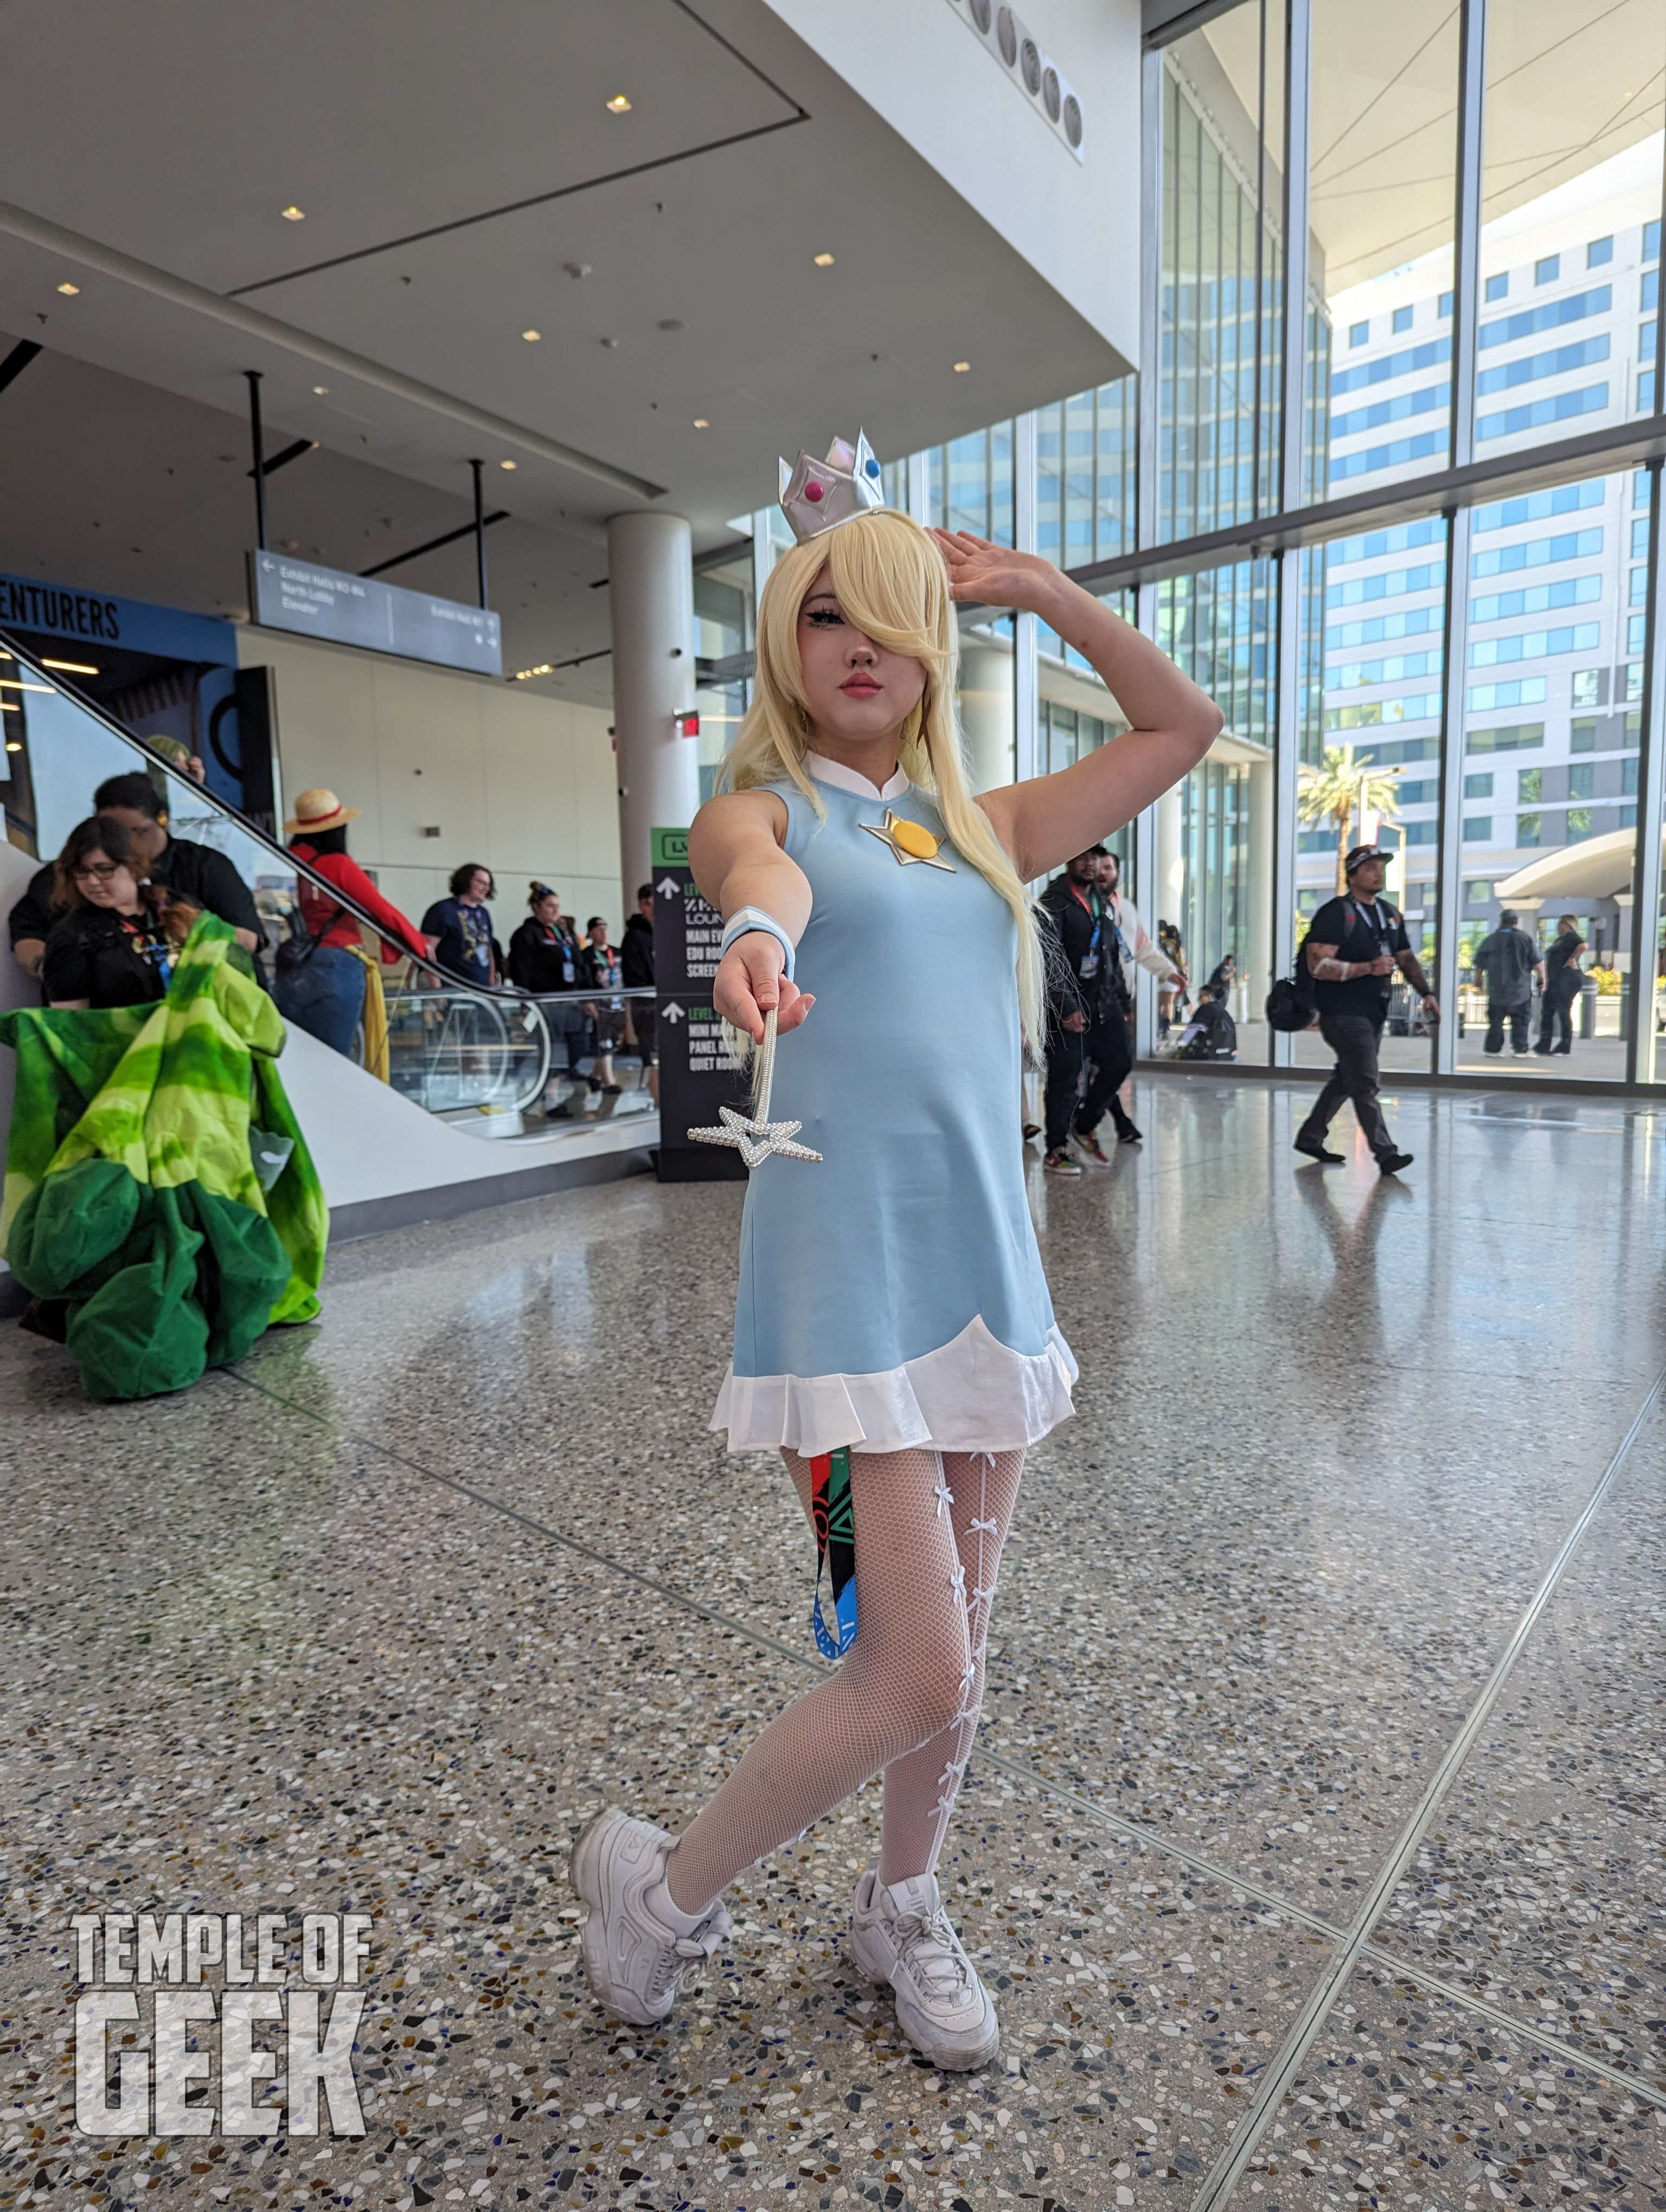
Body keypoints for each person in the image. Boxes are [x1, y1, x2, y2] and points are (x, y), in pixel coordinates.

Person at [567, 446, 1222, 2072]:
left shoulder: (984, 824)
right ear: (788, 644)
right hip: (846, 1300)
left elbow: (1178, 729)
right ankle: (659, 1894)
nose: (860, 645)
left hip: (984, 1283)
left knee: (961, 1657)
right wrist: (763, 944)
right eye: (826, 619)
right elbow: (751, 880)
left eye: (895, 621)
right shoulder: (761, 802)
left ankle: (902, 1902)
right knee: (910, 1661)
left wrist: (1047, 594)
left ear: (932, 648)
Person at [9, 768, 261, 987]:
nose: (124, 842)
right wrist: (57, 968)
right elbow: (26, 930)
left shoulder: (203, 870)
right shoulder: (63, 887)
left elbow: (248, 939)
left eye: (107, 870)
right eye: (86, 872)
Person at [1293, 844, 1438, 1175]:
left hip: (1374, 1012)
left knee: (1348, 1078)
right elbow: (1318, 965)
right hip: (1341, 1013)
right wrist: (1367, 968)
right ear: (1353, 874)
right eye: (1371, 867)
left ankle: (1310, 1136)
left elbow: (1405, 959)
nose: (1379, 872)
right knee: (1365, 1081)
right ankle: (1386, 1154)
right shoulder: (1337, 913)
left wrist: (1426, 993)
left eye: (1381, 867)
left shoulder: (1389, 913)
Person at [278, 787, 431, 1056]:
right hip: (337, 965)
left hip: (292, 963)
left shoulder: (288, 861)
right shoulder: (337, 864)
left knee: (297, 1056)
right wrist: (420, 947)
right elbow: (381, 911)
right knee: (334, 1059)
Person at [1038, 847, 1139, 1173]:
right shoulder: (1054, 902)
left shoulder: (1102, 901)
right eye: (1082, 857)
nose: (1089, 864)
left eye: (1095, 859)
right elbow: (1048, 959)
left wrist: (1124, 1003)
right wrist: (1065, 1006)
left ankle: (1085, 1124)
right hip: (1068, 1010)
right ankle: (1057, 1148)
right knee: (1065, 1081)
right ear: (1069, 860)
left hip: (1105, 1006)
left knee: (1120, 1062)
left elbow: (1111, 955)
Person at [40, 815, 198, 1009]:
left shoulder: (177, 905)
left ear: (134, 866)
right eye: (81, 872)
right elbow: (70, 1026)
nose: (92, 882)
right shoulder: (71, 936)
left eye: (105, 870)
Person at [506, 883, 588, 1115]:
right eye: (550, 906)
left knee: (578, 1045)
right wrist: (526, 1001)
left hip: (570, 1001)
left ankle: (552, 1085)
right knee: (552, 1049)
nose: (555, 911)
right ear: (536, 907)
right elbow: (521, 971)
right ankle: (549, 1096)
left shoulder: (564, 934)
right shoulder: (527, 934)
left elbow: (579, 963)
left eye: (558, 906)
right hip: (545, 1002)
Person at [1472, 909, 1541, 1057]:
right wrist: (1543, 979)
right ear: (1516, 923)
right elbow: (1537, 962)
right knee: (1521, 1021)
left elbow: (1479, 965)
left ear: (1501, 922)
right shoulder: (1525, 939)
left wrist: (1477, 981)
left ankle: (1493, 1049)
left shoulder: (1490, 940)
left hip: (1497, 990)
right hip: (1520, 989)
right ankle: (1520, 1049)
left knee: (1496, 1022)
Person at [421, 864, 497, 989]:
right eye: (481, 882)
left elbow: (488, 949)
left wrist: (492, 982)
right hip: (452, 988)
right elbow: (427, 950)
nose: (486, 888)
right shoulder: (443, 910)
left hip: (482, 989)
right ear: (466, 881)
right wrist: (437, 988)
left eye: (488, 884)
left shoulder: (484, 913)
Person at [620, 882, 659, 1105]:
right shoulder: (634, 936)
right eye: (647, 903)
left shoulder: (665, 931)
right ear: (640, 906)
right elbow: (632, 972)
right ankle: (654, 1097)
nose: (652, 907)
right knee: (651, 1050)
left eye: (656, 902)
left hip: (663, 999)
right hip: (645, 1001)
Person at [1535, 912, 1586, 1056]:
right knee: (1547, 1012)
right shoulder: (1561, 940)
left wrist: (1572, 959)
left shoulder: (1572, 937)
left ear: (1567, 925)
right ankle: (1543, 1044)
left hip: (1566, 979)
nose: (1558, 927)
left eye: (1559, 924)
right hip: (1555, 980)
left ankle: (1565, 1046)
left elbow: (1583, 946)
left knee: (1563, 1011)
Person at [1176, 980, 1236, 1059]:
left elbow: (1193, 1028)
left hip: (1210, 1052)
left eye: (1201, 996)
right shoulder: (1222, 1009)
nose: (1198, 999)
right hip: (1228, 1052)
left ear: (1209, 997)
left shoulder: (1205, 1009)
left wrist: (1181, 1045)